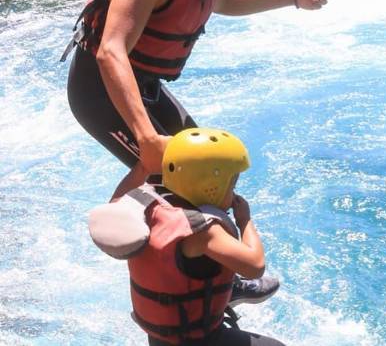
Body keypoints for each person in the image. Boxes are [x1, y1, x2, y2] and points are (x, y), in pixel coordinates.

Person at [65, 0, 329, 305]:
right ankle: (172, 285)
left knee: (211, 168)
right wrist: (146, 138)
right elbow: (110, 51)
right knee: (178, 178)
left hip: (145, 85)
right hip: (100, 92)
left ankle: (217, 276)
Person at [89, 128, 285, 345]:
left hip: (159, 338)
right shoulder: (202, 230)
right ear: (211, 189)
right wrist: (244, 220)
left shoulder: (146, 206)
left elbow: (115, 202)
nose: (234, 195)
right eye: (232, 186)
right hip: (198, 340)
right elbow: (254, 267)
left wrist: (144, 165)